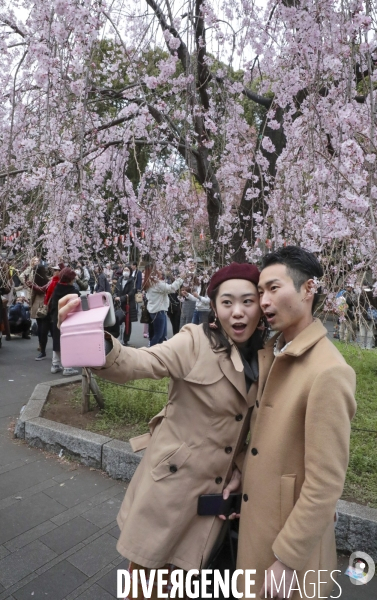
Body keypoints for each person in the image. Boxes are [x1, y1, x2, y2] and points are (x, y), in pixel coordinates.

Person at [57, 262, 266, 596]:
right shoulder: (194, 341)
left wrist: (240, 463)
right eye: (227, 302)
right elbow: (142, 362)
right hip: (172, 486)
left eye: (247, 301)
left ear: (261, 304)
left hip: (214, 497)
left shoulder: (264, 356)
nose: (237, 312)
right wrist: (97, 341)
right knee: (147, 581)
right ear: (213, 307)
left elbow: (256, 425)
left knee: (185, 582)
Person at [233, 246, 356, 600]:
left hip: (286, 547)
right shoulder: (277, 350)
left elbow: (326, 483)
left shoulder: (329, 372)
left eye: (274, 288)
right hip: (263, 522)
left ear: (308, 289)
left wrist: (288, 559)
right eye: (261, 292)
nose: (264, 302)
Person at [49, 267, 79, 376]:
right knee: (68, 342)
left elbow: (52, 304)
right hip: (69, 319)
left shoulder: (57, 288)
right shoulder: (73, 291)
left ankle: (55, 365)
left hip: (56, 318)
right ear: (70, 279)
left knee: (57, 340)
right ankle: (67, 367)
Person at [144, 265, 183, 346]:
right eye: (158, 270)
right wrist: (180, 279)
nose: (160, 271)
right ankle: (151, 351)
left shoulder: (150, 283)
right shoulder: (157, 284)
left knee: (161, 335)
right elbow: (171, 288)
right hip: (158, 311)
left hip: (155, 310)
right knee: (159, 335)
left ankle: (156, 351)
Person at [114, 265, 138, 346]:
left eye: (127, 270)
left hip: (128, 304)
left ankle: (125, 339)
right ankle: (118, 338)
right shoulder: (120, 279)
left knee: (128, 322)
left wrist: (121, 298)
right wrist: (115, 297)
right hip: (119, 304)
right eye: (124, 269)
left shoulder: (132, 281)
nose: (126, 271)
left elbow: (131, 293)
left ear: (130, 272)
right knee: (118, 321)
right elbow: (116, 290)